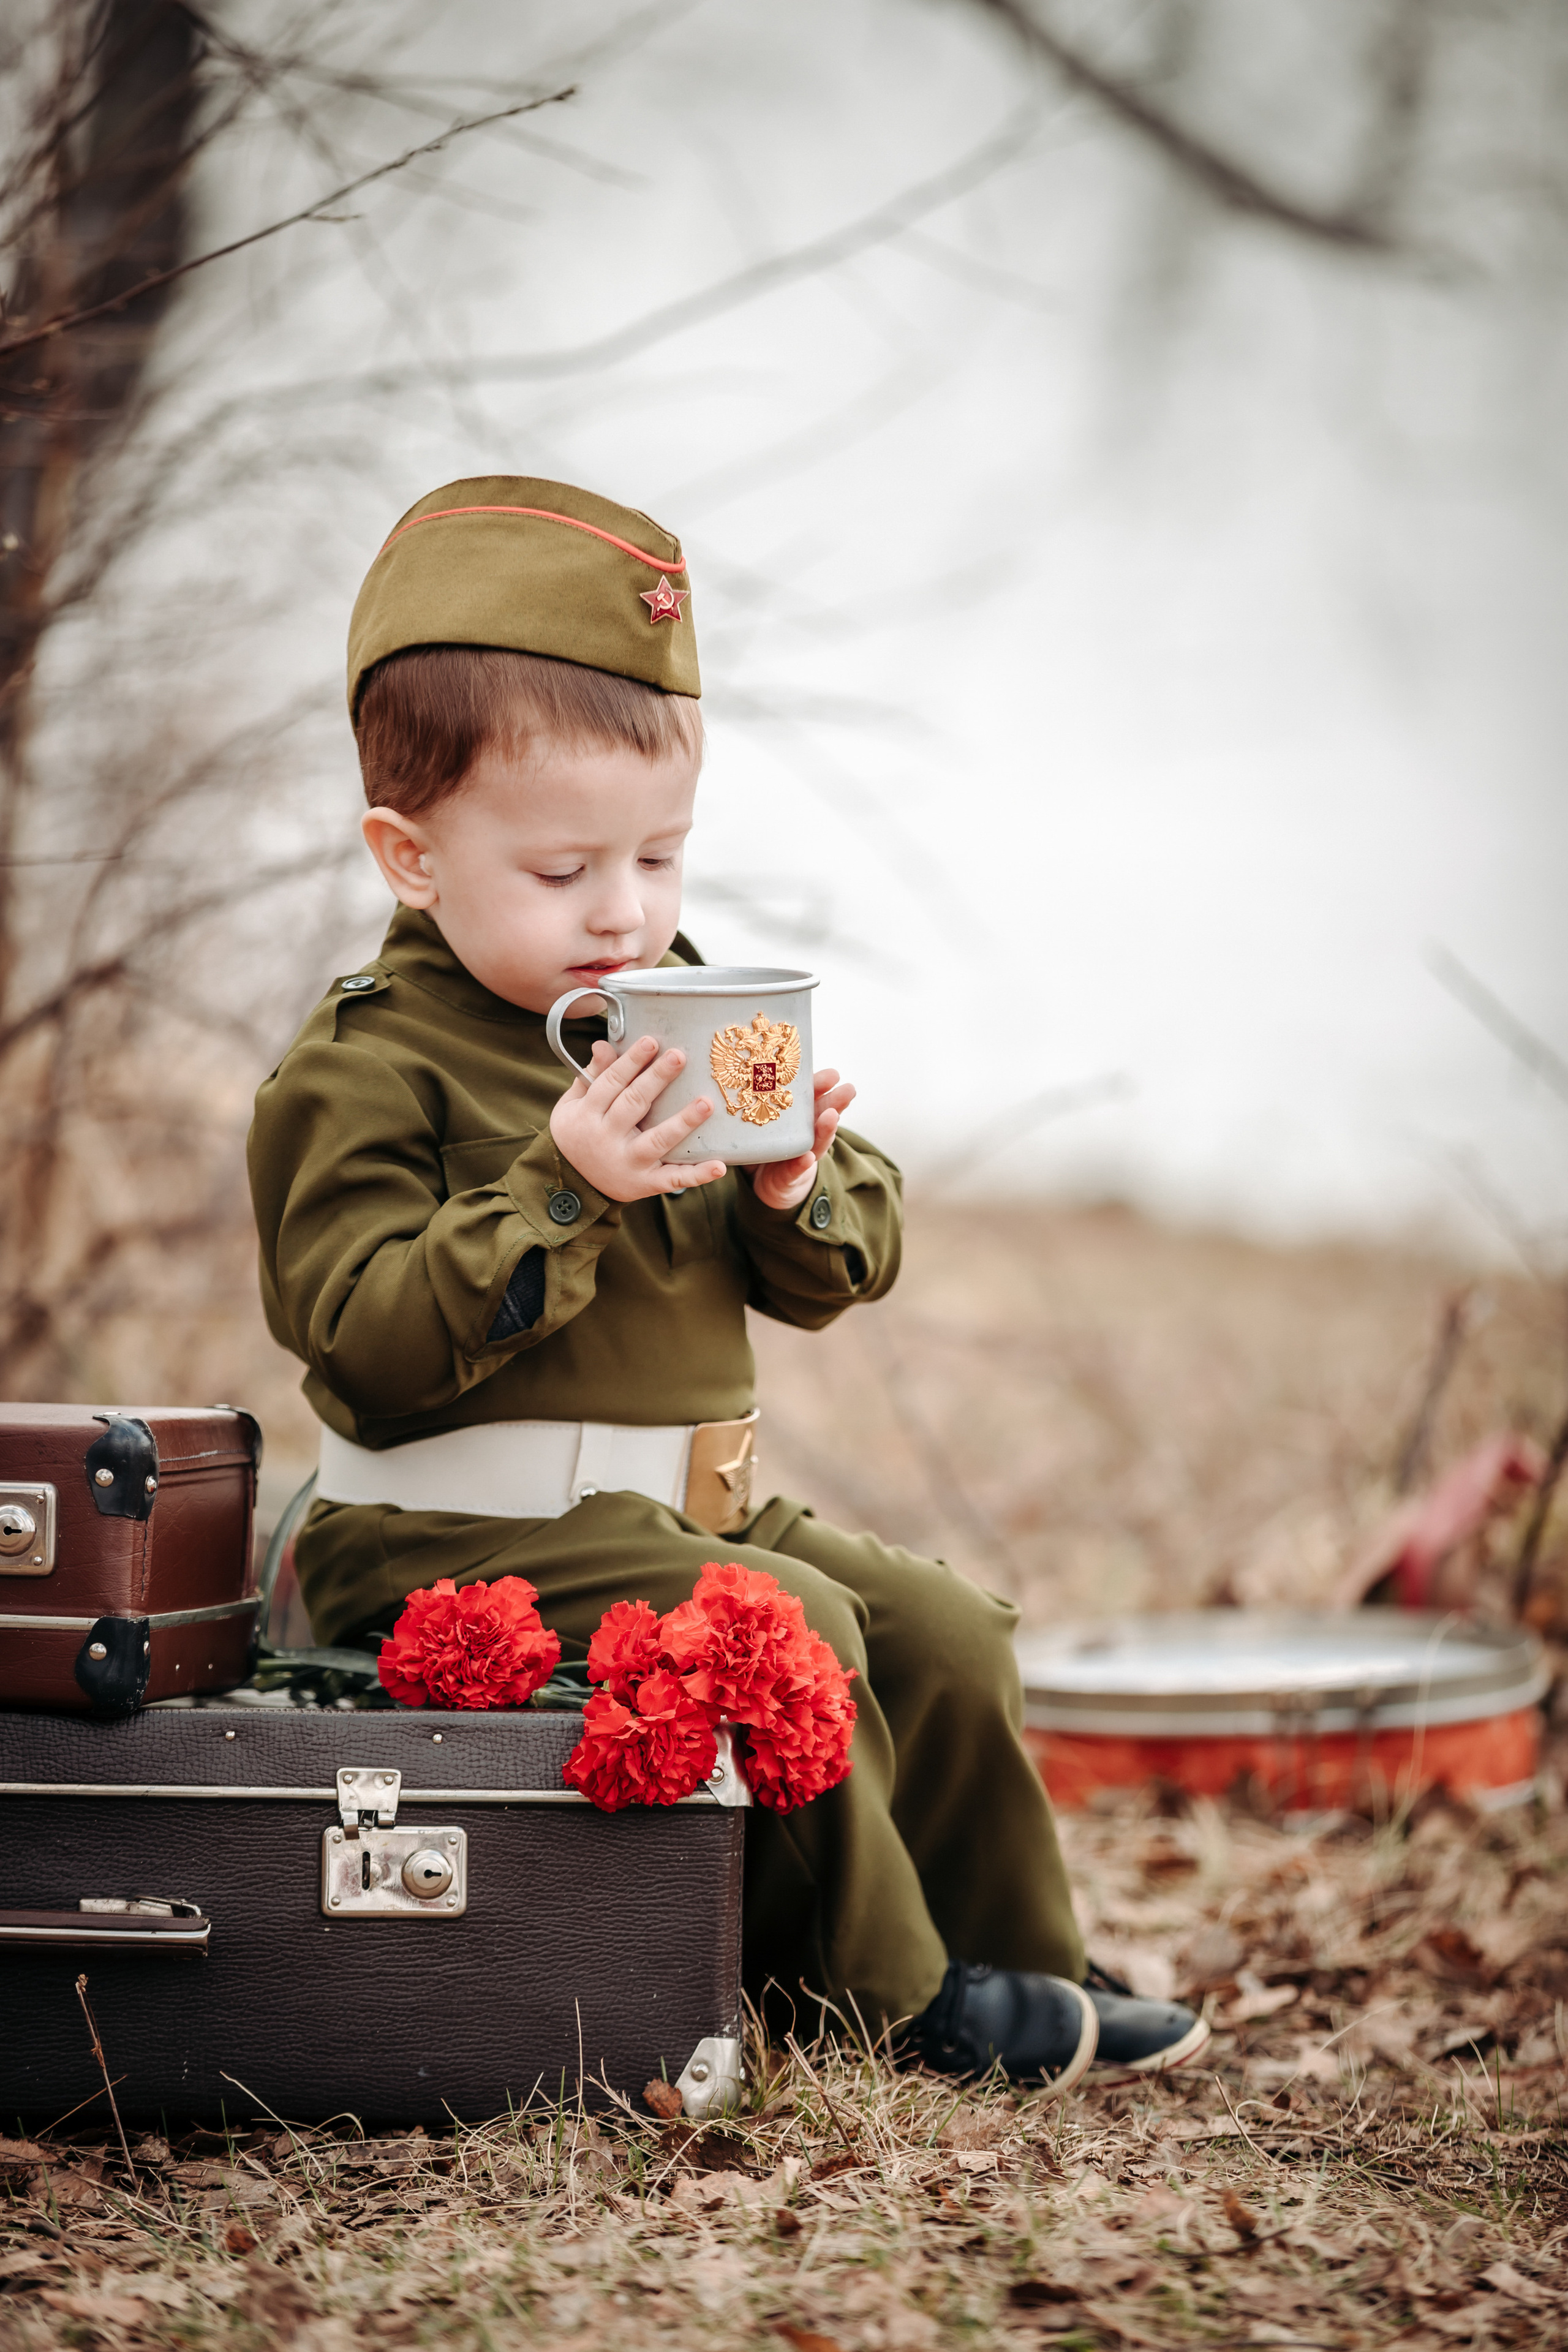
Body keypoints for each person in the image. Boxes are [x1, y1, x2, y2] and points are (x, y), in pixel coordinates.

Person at [248, 475, 1207, 2093]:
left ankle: (1020, 1956)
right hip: (449, 1537)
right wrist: (562, 1183)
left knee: (943, 1632)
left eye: (662, 857)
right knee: (787, 1628)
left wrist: (794, 1185)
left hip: (685, 1508)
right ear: (410, 856)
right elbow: (358, 1348)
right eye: (564, 870)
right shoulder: (366, 1066)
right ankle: (889, 2001)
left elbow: (841, 1268)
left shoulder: (669, 1004)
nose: (625, 911)